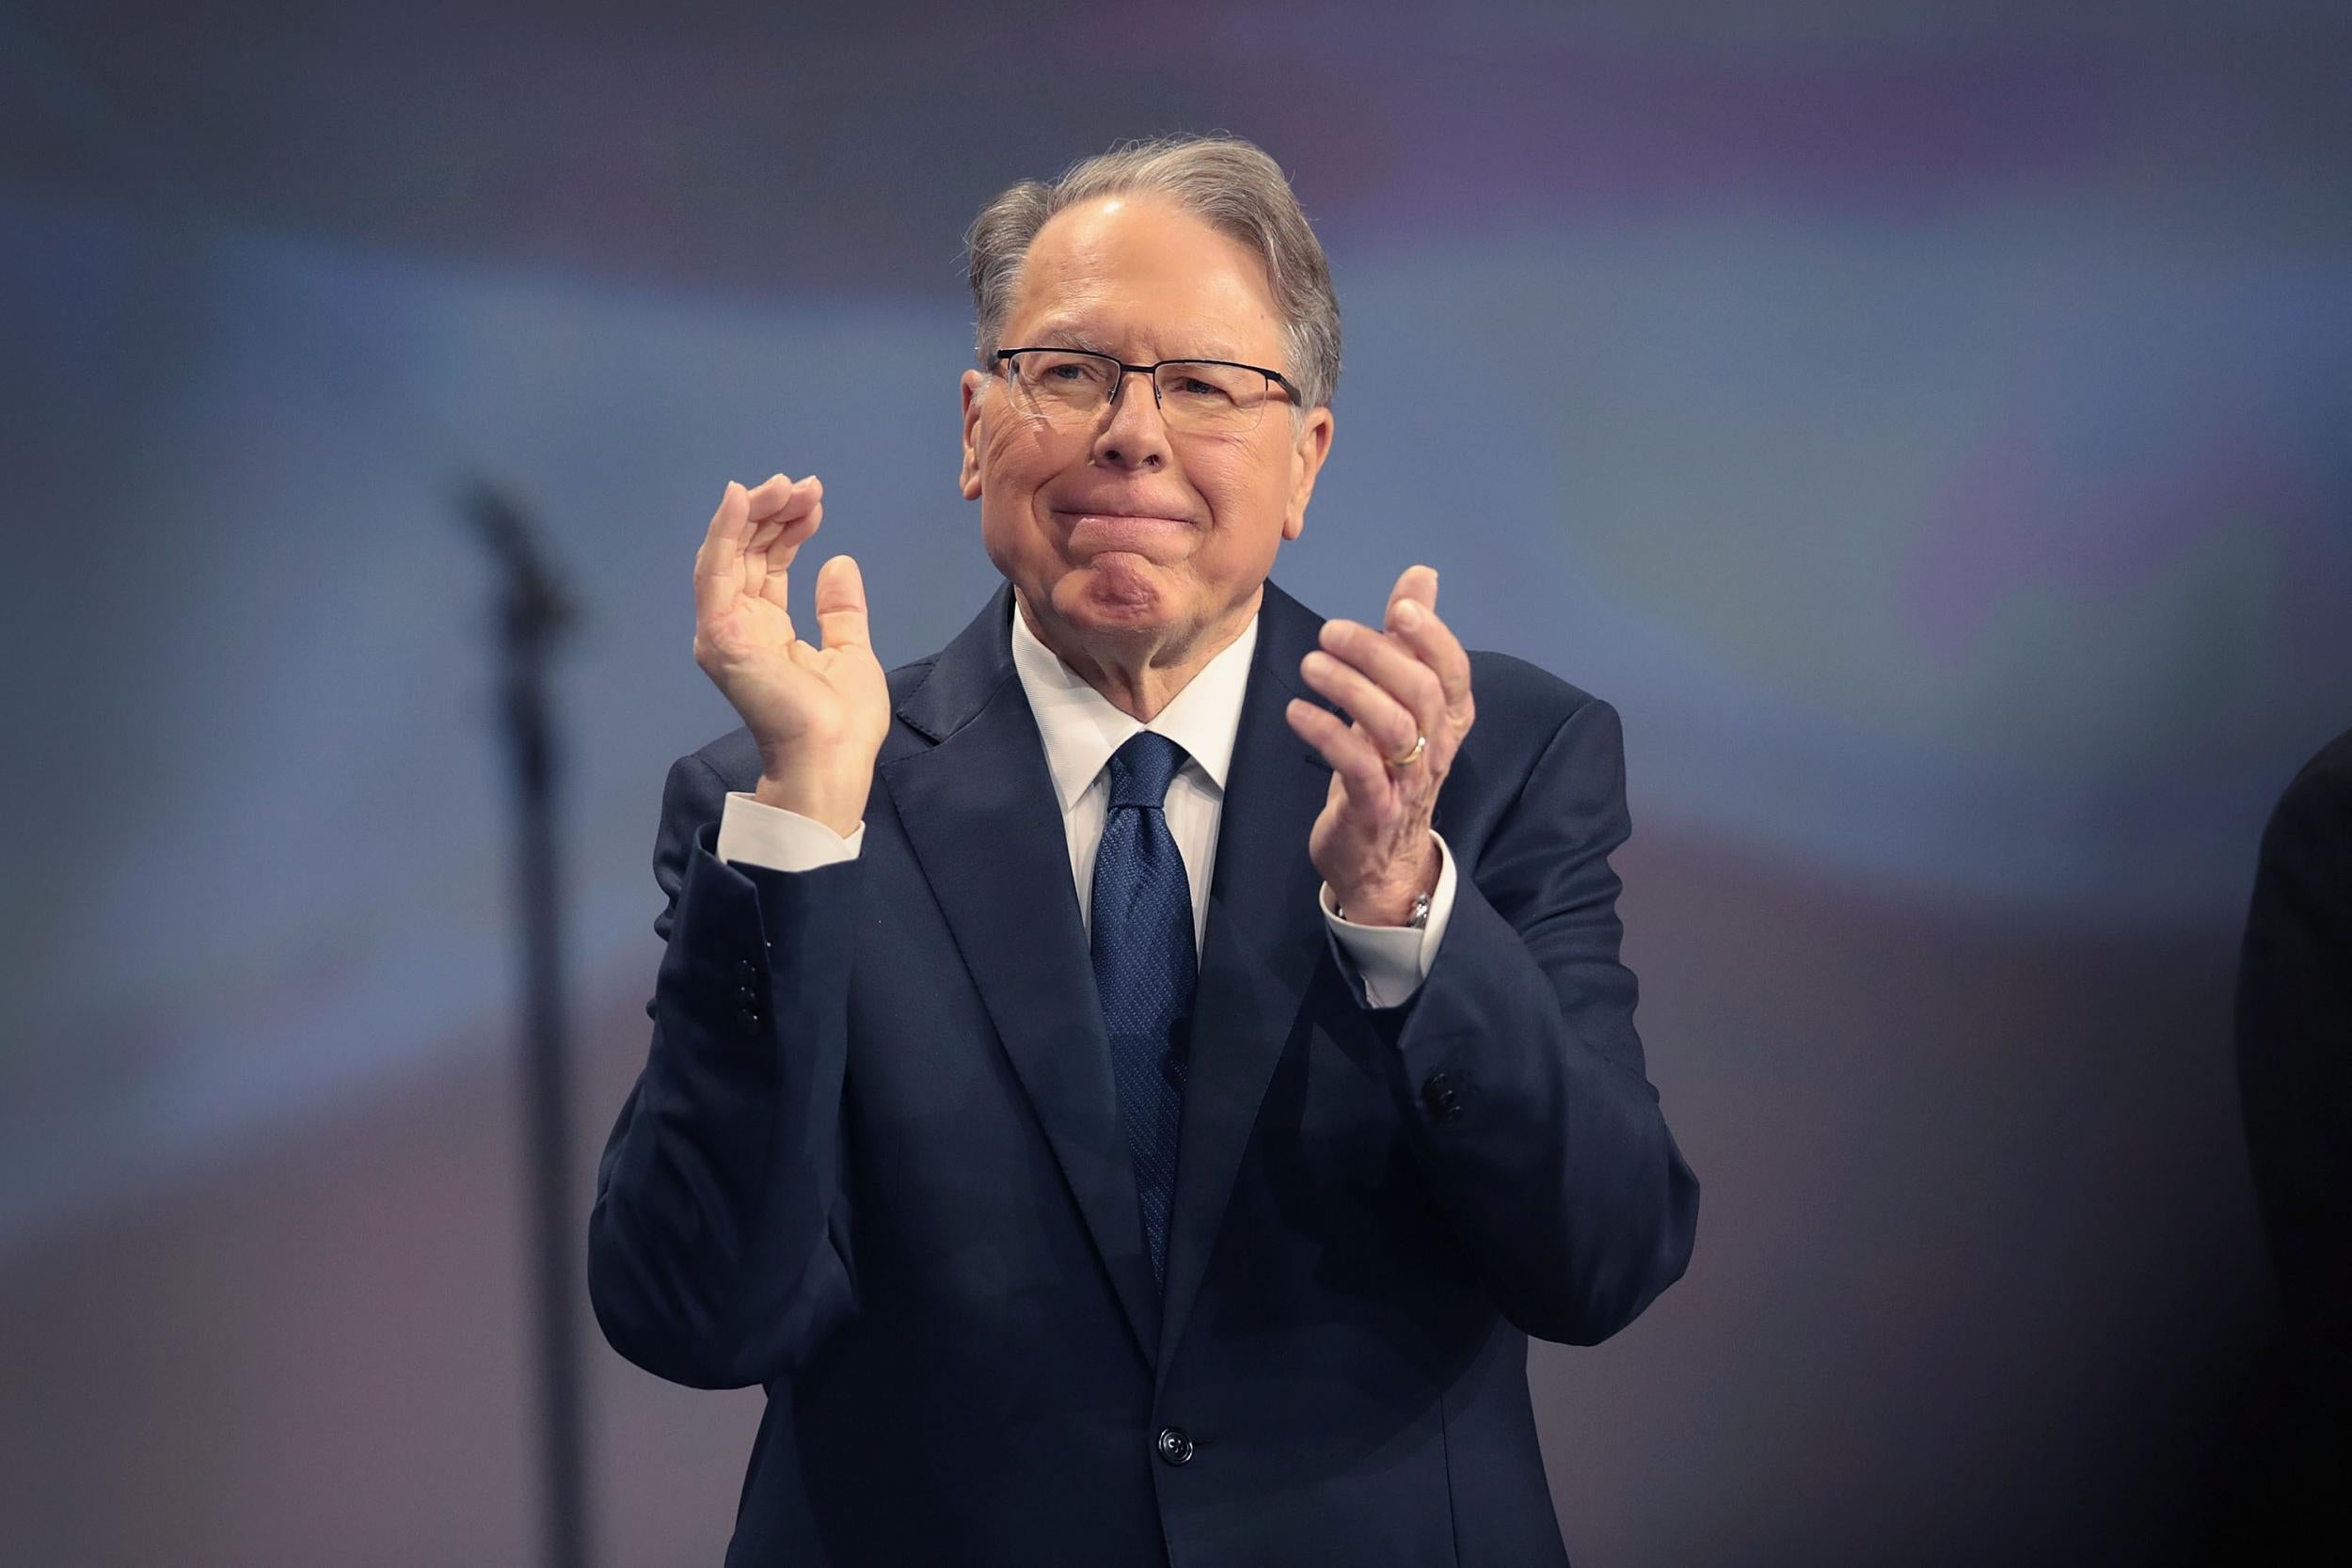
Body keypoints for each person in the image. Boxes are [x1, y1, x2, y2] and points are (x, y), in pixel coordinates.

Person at [588, 134, 1698, 1567]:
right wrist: (804, 822)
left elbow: (1601, 1261)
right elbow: (695, 1317)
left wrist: (1404, 910)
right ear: (977, 429)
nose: (1131, 433)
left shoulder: (1487, 764)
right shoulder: (787, 796)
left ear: (1304, 462)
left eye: (1206, 385)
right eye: (1071, 373)